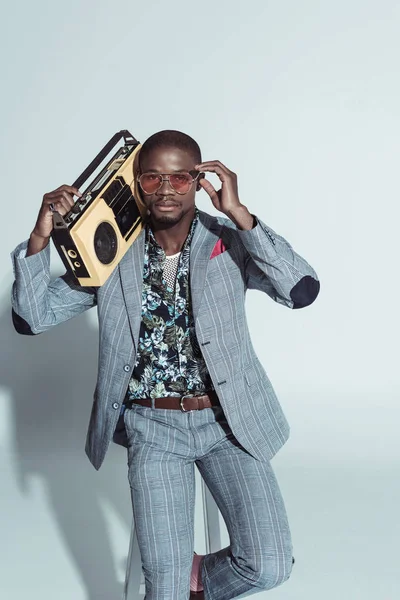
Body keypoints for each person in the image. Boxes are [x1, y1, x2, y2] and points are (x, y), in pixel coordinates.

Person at [10, 130, 320, 600]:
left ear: (199, 181)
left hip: (228, 423)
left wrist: (240, 214)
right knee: (165, 588)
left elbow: (301, 291)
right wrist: (40, 238)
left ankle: (192, 578)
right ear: (136, 183)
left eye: (179, 177)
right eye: (153, 178)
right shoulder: (108, 255)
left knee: (268, 564)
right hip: (153, 428)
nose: (167, 189)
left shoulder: (230, 242)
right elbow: (31, 318)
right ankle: (171, 584)